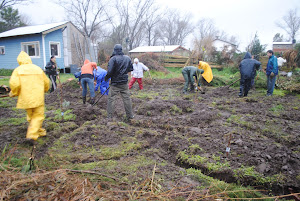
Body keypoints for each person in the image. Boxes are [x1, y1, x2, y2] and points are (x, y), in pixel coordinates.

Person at [9, 51, 50, 141]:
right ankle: (31, 136)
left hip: (26, 98)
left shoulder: (18, 70)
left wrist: (14, 93)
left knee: (31, 115)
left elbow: (14, 84)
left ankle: (39, 131)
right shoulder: (37, 68)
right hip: (38, 97)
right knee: (38, 116)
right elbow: (46, 82)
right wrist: (45, 89)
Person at [105, 44, 134, 121]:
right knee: (127, 99)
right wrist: (123, 73)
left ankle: (109, 116)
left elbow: (110, 71)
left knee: (111, 99)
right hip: (124, 83)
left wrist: (106, 78)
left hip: (115, 83)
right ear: (121, 50)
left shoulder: (113, 59)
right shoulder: (127, 58)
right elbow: (131, 68)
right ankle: (130, 115)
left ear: (114, 50)